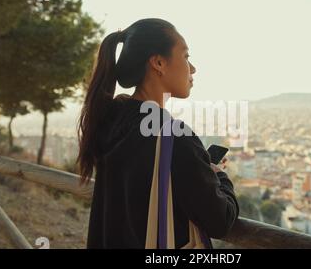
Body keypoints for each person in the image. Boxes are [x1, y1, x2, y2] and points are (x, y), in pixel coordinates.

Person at [76, 18, 239, 249]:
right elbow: (220, 221)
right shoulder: (174, 136)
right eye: (186, 56)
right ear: (159, 63)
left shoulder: (109, 120)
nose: (192, 68)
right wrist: (219, 176)